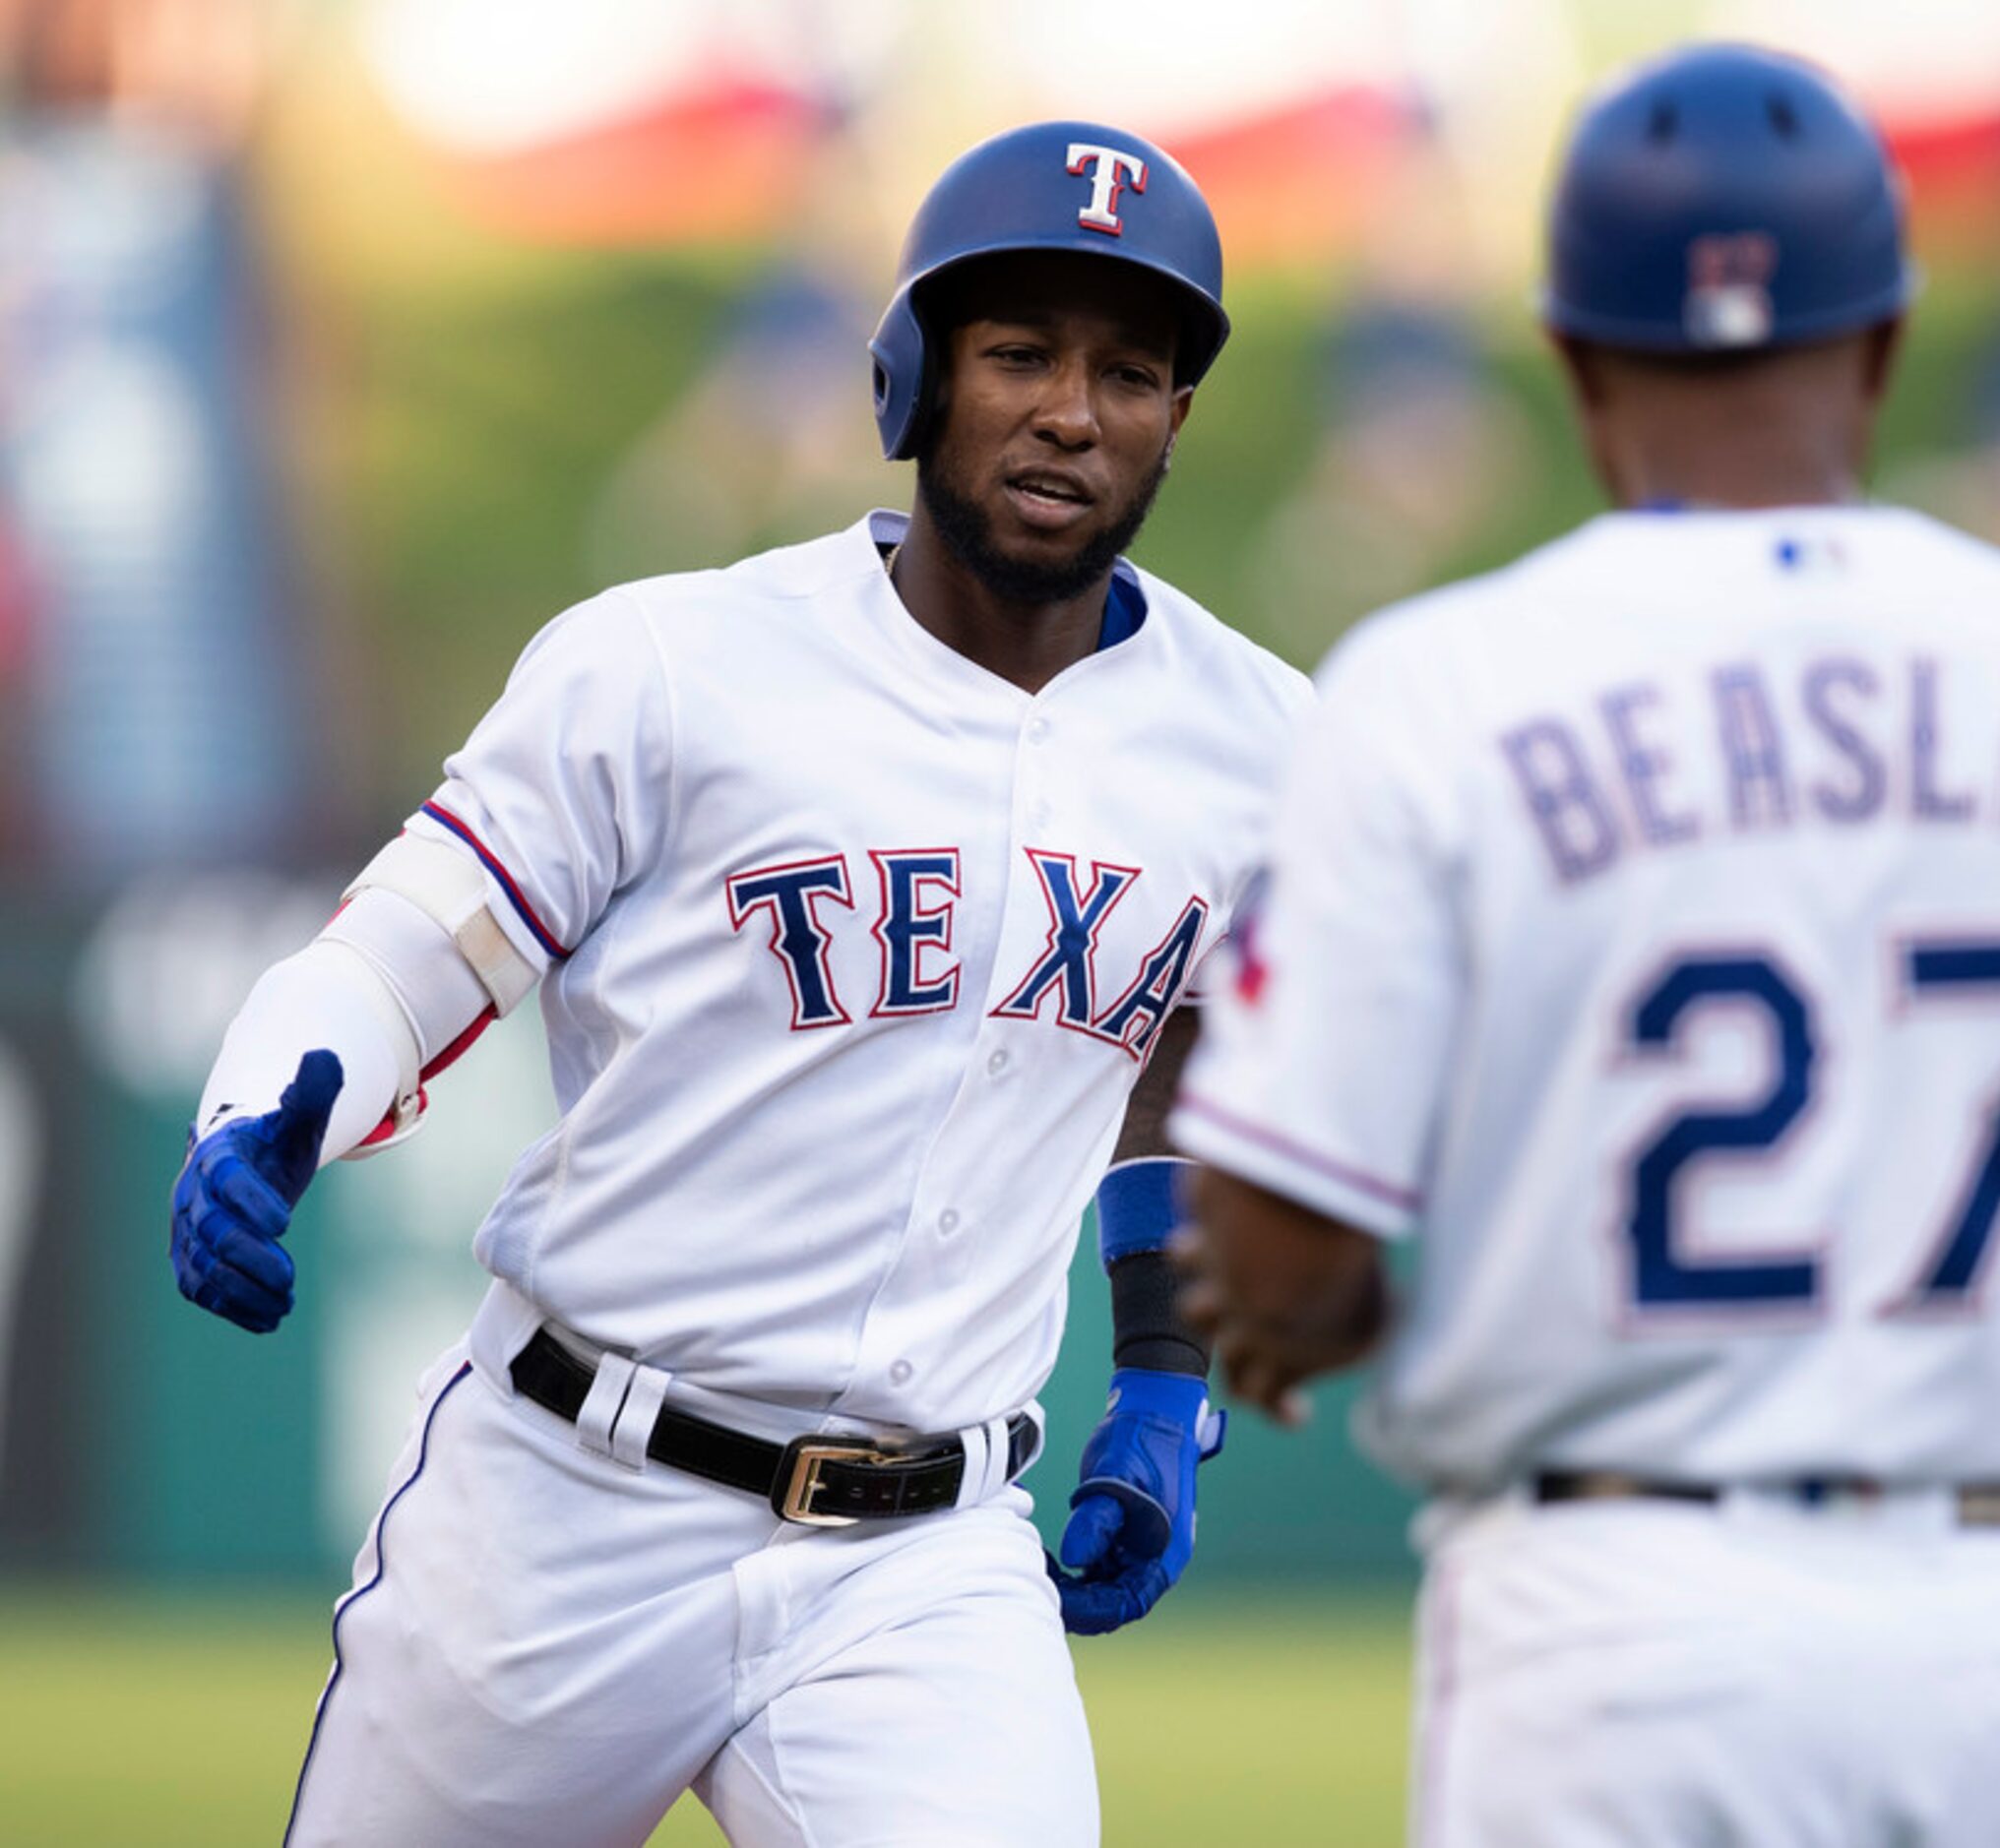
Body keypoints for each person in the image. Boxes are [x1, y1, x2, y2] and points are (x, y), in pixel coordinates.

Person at [1170, 43, 2000, 1848]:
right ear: (1889, 342)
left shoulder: (1442, 684)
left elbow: (1278, 1238)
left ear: (1574, 354)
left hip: (1608, 1613)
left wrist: (1303, 1316)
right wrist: (1952, 1366)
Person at [167, 119, 1308, 1847]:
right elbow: (405, 956)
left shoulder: (1260, 740)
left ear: (1176, 419)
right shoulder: (670, 665)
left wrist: (1162, 1372)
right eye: (1018, 355)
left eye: (1130, 372)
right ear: (914, 378)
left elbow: (1192, 1043)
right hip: (562, 1507)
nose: (1074, 411)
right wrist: (264, 1102)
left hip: (926, 1561)